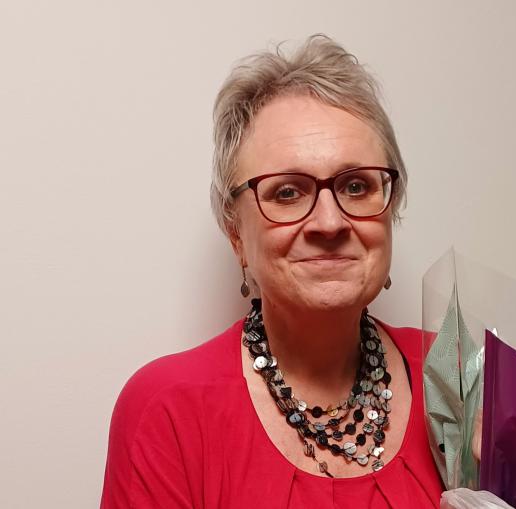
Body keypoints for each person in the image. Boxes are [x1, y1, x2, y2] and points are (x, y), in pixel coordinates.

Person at [99, 34, 444, 508]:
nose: (329, 222)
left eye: (357, 185)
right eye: (287, 192)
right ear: (236, 232)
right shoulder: (169, 412)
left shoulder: (458, 380)